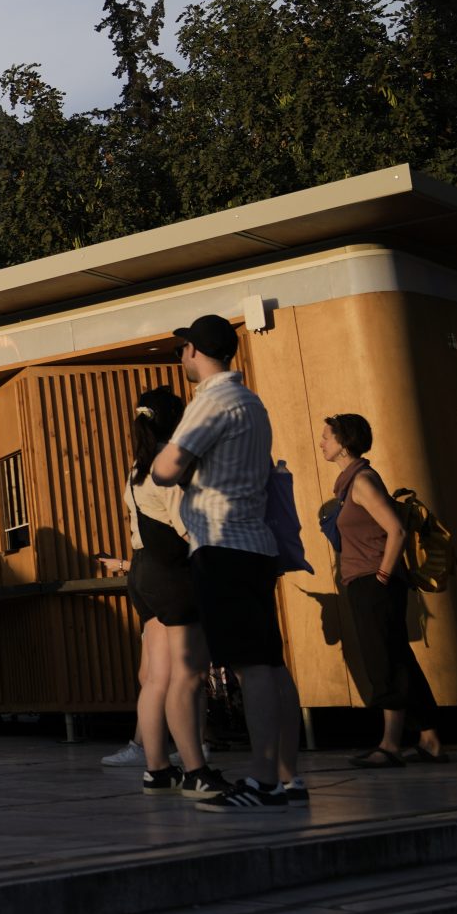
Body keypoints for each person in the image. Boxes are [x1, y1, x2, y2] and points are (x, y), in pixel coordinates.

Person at [148, 312, 299, 812]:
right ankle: (285, 777)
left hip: (222, 542)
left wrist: (175, 455)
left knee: (251, 667)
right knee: (272, 667)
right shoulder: (251, 401)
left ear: (193, 351)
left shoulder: (210, 400)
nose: (182, 358)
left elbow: (165, 470)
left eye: (182, 350)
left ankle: (262, 783)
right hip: (256, 544)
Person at [93, 390, 218, 796]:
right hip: (172, 574)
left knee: (155, 678)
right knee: (190, 675)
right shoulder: (170, 465)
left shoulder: (134, 467)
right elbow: (187, 527)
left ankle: (156, 767)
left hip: (142, 571)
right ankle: (196, 766)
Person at [321, 413, 446, 767]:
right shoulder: (351, 482)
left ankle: (390, 745)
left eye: (327, 437)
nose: (322, 443)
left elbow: (396, 530)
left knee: (383, 661)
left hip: (374, 582)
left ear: (344, 443)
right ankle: (430, 739)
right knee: (399, 658)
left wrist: (382, 575)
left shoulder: (362, 481)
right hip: (367, 581)